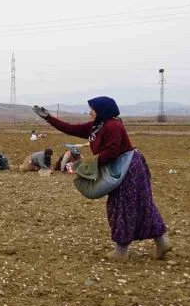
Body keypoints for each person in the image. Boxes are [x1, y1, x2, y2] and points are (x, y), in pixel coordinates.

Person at [34, 97, 171, 259]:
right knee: (140, 203)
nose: (90, 112)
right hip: (124, 166)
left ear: (104, 110)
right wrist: (49, 118)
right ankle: (162, 242)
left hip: (128, 168)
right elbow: (70, 129)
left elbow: (112, 152)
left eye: (93, 109)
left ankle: (122, 251)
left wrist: (90, 165)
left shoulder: (113, 126)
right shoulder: (97, 126)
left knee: (120, 206)